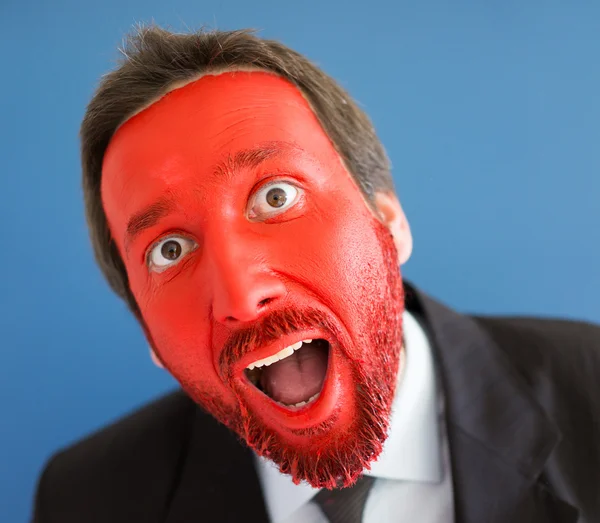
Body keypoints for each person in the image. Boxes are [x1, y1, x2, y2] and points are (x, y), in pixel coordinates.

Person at [32, 26, 599, 523]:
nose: (243, 295)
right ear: (147, 333)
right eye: (169, 250)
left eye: (276, 196)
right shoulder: (85, 497)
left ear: (389, 220)